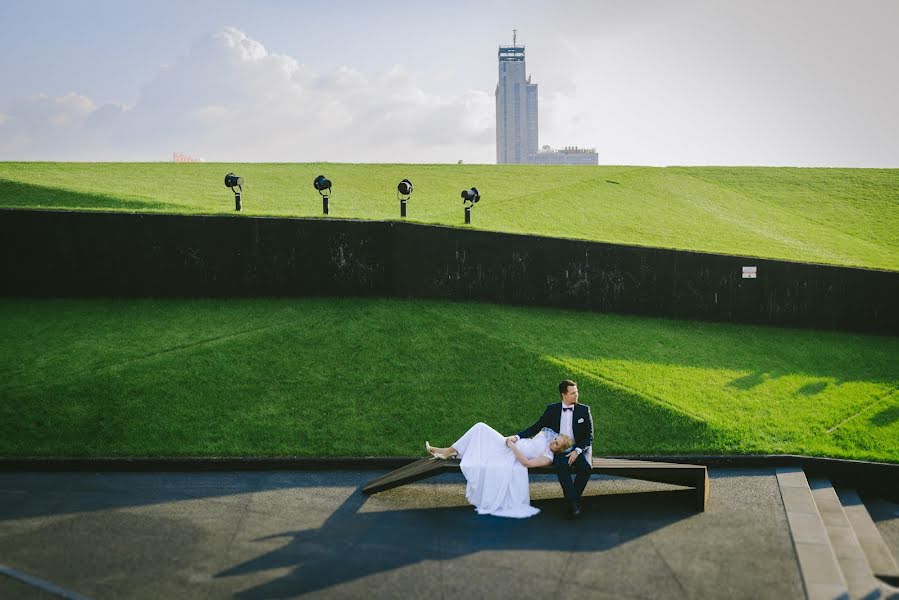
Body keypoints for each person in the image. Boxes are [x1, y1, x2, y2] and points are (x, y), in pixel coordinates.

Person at [425, 423, 573, 518]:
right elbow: (529, 440)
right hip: (508, 444)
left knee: (480, 428)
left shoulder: (548, 457)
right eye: (555, 439)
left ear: (559, 449)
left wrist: (512, 446)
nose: (553, 441)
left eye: (556, 443)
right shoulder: (546, 439)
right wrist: (514, 439)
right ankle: (448, 451)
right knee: (480, 431)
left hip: (509, 452)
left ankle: (448, 452)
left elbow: (526, 463)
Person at [507, 380, 594, 518]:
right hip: (559, 449)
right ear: (563, 394)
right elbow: (537, 426)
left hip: (580, 447)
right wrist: (517, 437)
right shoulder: (552, 409)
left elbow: (589, 436)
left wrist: (577, 451)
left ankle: (573, 499)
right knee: (561, 466)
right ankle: (574, 504)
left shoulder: (584, 410)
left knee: (586, 467)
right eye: (573, 393)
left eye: (576, 392)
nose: (576, 395)